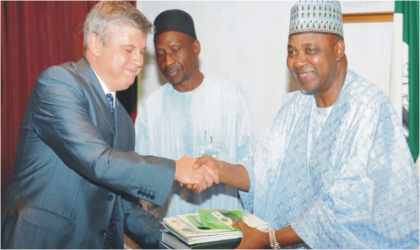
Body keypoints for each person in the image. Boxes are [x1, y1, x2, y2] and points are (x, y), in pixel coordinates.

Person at [192, 0, 419, 248]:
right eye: (292, 51)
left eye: (310, 50)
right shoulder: (294, 107)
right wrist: (217, 170)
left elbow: (345, 208)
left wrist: (269, 240)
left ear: (339, 50)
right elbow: (262, 172)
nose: (298, 61)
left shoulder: (368, 110)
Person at [0, 2, 218, 249]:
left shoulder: (124, 121)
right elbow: (97, 161)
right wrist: (175, 169)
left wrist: (183, 243)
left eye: (141, 51)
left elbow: (123, 208)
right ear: (94, 43)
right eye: (128, 49)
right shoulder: (58, 84)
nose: (138, 61)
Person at [134, 9, 254, 221]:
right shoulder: (151, 108)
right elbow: (142, 178)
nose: (168, 61)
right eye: (160, 54)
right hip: (170, 234)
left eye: (175, 49)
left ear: (195, 48)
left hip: (224, 231)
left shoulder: (229, 97)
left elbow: (249, 169)